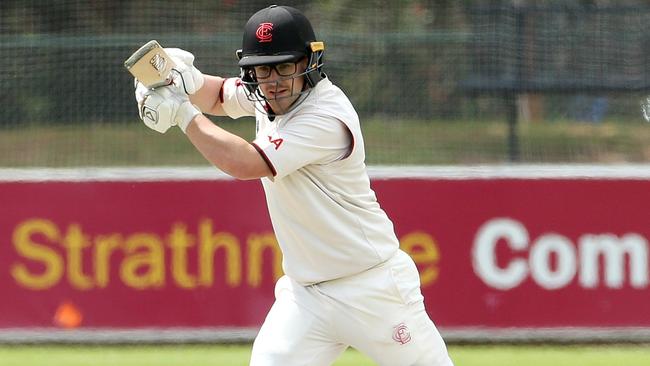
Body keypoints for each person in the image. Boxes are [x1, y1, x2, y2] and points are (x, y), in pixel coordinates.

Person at [134, 5, 454, 366]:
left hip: (372, 287)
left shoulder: (325, 116)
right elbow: (221, 95)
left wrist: (182, 114)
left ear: (309, 63)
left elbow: (245, 163)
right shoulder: (267, 94)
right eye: (263, 70)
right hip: (307, 297)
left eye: (285, 66)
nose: (273, 82)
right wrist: (183, 81)